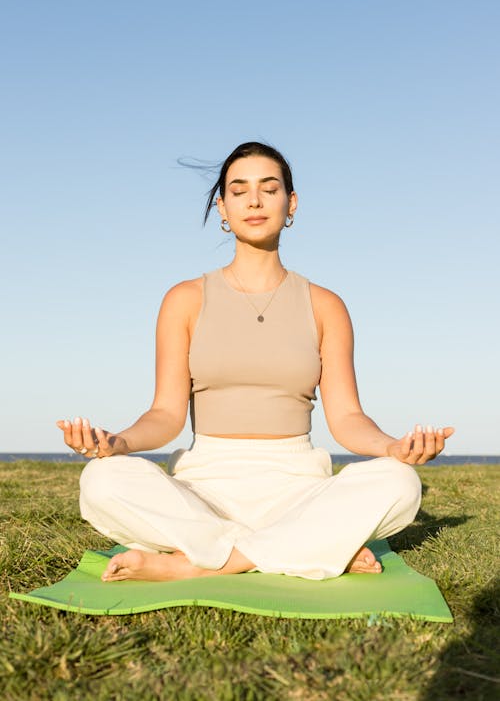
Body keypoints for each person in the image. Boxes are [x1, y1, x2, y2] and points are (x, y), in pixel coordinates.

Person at [56, 141, 454, 583]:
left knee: (400, 483)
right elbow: (166, 414)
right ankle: (302, 546)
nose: (255, 200)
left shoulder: (326, 305)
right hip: (203, 487)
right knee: (101, 481)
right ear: (222, 207)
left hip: (297, 485)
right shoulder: (184, 299)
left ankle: (203, 562)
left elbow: (347, 418)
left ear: (291, 203)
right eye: (239, 189)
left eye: (270, 188)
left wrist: (393, 449)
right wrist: (117, 444)